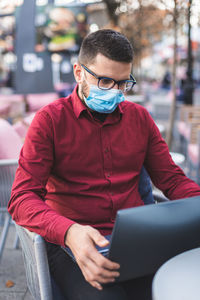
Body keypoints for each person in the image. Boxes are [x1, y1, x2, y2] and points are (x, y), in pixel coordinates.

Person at [8, 29, 200, 300]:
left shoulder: (140, 119)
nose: (116, 92)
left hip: (138, 243)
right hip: (72, 247)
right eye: (106, 81)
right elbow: (21, 198)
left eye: (123, 83)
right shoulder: (50, 121)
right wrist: (69, 231)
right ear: (79, 72)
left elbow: (173, 180)